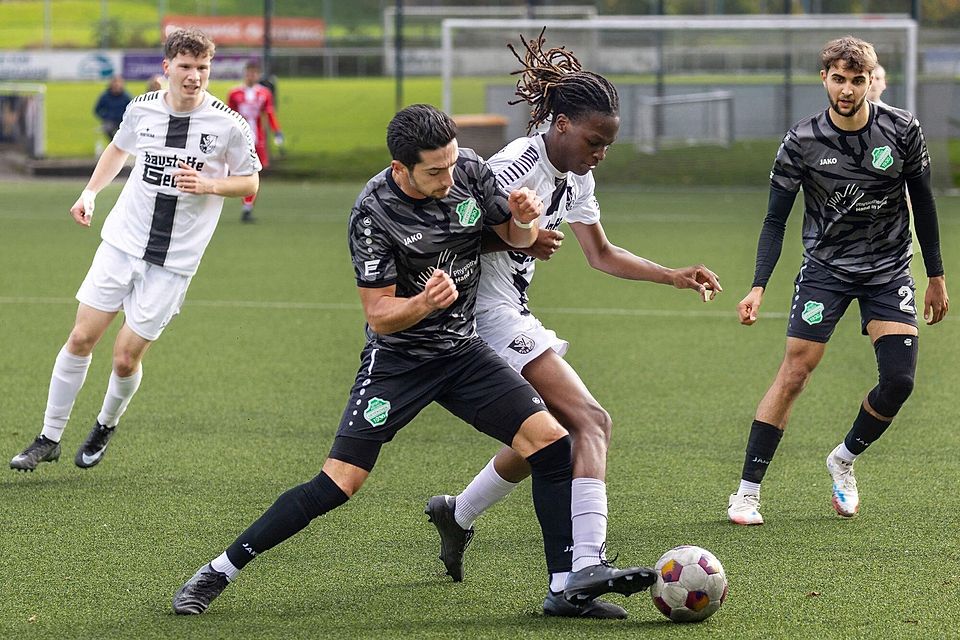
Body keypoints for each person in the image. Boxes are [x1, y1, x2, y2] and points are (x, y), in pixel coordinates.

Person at [171, 103, 656, 616]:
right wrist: (424, 302)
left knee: (552, 442)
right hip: (400, 361)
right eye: (434, 171)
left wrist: (520, 220)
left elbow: (516, 240)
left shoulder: (467, 168)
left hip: (463, 351)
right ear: (401, 168)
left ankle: (564, 590)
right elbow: (379, 316)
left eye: (451, 164)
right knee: (339, 482)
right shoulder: (373, 214)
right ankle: (218, 570)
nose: (450, 178)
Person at [424, 30, 721, 620]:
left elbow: (601, 254)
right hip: (483, 315)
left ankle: (456, 513)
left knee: (548, 437)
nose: (599, 154)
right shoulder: (516, 165)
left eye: (607, 145)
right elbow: (445, 228)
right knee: (592, 421)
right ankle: (584, 566)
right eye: (593, 140)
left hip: (513, 311)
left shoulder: (575, 176)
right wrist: (520, 238)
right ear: (559, 123)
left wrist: (674, 275)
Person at [9, 28, 261, 472]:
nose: (194, 77)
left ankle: (105, 424)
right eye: (185, 67)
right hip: (122, 242)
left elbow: (251, 180)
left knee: (125, 358)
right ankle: (48, 437)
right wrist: (90, 193)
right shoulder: (141, 108)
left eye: (202, 68)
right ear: (166, 68)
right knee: (81, 337)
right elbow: (118, 149)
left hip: (175, 261)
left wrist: (210, 184)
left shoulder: (228, 125)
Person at [726, 36, 948, 526]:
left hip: (889, 269)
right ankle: (746, 492)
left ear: (872, 80)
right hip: (826, 270)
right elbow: (773, 221)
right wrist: (759, 284)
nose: (847, 90)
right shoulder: (801, 141)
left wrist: (936, 275)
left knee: (900, 380)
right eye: (839, 79)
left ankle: (843, 459)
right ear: (825, 79)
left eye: (857, 80)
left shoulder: (902, 130)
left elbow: (925, 204)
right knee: (794, 374)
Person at [227, 59, 283, 223]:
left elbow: (270, 114)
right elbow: (228, 116)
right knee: (239, 172)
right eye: (249, 72)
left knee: (254, 173)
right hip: (239, 139)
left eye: (255, 73)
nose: (251, 76)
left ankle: (247, 208)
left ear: (258, 75)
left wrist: (277, 132)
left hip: (258, 140)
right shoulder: (235, 93)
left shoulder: (264, 93)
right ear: (245, 74)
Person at [94, 75, 132, 142]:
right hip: (110, 120)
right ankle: (113, 143)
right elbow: (97, 109)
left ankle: (119, 145)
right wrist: (105, 116)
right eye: (115, 84)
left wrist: (126, 118)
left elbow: (131, 109)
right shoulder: (105, 96)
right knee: (108, 128)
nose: (116, 86)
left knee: (125, 132)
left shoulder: (126, 97)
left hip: (122, 121)